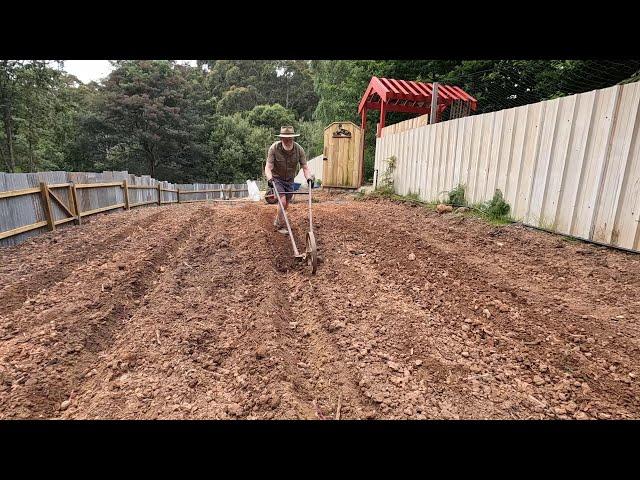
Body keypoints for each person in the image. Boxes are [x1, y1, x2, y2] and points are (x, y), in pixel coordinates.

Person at [265, 126, 314, 234]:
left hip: (290, 180)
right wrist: (270, 179)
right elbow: (268, 167)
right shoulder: (274, 148)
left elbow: (305, 167)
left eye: (289, 138)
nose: (287, 141)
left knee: (286, 203)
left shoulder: (299, 149)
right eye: (284, 139)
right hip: (277, 178)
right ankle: (279, 225)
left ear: (293, 138)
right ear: (281, 138)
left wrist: (309, 178)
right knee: (282, 201)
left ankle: (278, 219)